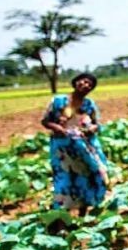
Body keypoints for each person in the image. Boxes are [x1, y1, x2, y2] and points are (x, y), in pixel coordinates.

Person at [41, 73, 108, 216]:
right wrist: (58, 128)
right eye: (84, 81)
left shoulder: (89, 105)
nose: (86, 85)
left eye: (90, 85)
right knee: (64, 180)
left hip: (84, 147)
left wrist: (91, 129)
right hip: (62, 149)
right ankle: (61, 216)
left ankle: (82, 213)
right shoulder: (59, 101)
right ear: (76, 82)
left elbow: (97, 124)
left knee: (84, 177)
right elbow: (45, 121)